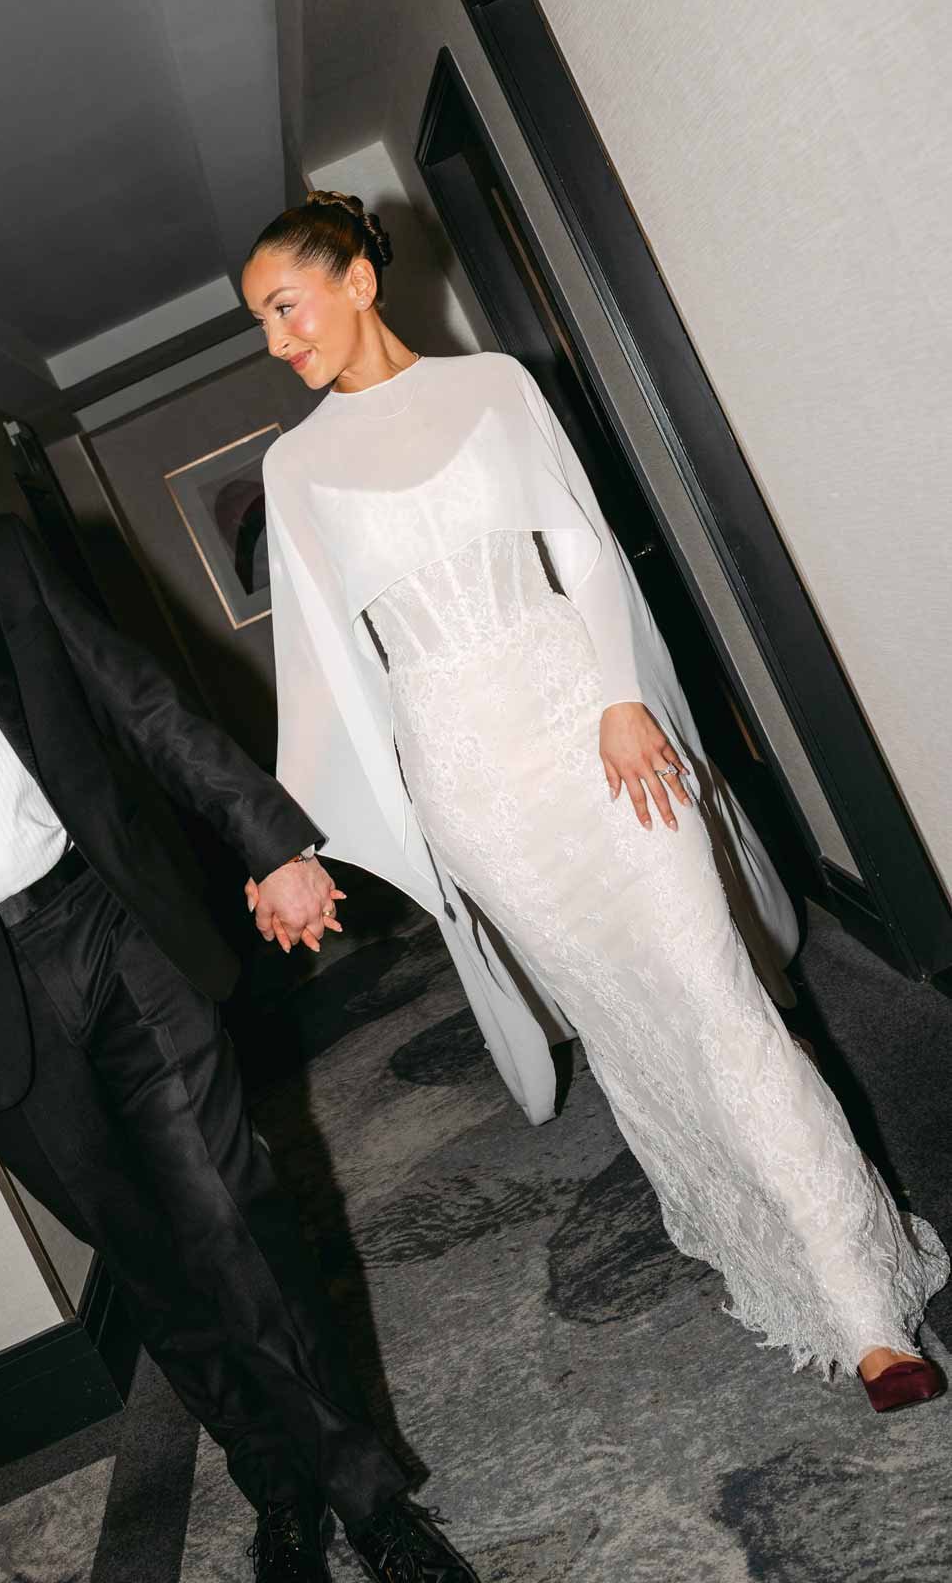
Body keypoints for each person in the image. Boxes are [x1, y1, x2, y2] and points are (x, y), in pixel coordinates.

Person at [0, 320, 483, 1583]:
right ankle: (275, 1485)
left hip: (112, 931)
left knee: (230, 1213)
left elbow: (146, 708)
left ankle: (369, 1498)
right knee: (158, 1274)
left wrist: (268, 842)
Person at [245, 190, 948, 1413]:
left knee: (715, 992)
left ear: (357, 277)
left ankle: (862, 1308)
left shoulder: (495, 388)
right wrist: (275, 846)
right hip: (469, 779)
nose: (274, 340)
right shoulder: (292, 465)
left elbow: (577, 545)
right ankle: (750, 1236)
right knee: (627, 1021)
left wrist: (623, 697)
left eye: (283, 306)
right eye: (259, 322)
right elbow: (310, 676)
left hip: (587, 723)